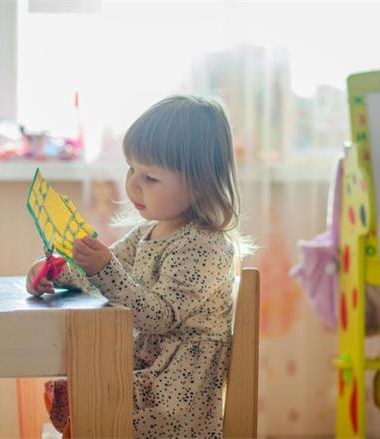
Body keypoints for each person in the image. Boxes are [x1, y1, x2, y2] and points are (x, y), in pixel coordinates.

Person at [27, 95, 247, 438]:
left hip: (174, 397)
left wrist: (104, 268)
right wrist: (56, 272)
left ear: (200, 182)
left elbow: (157, 316)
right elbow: (101, 276)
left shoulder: (206, 246)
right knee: (79, 387)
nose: (132, 184)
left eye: (151, 178)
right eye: (131, 168)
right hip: (146, 374)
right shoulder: (146, 232)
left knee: (90, 396)